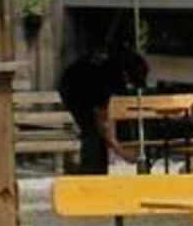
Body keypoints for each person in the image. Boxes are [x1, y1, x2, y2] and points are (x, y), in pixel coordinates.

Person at [58, 38, 142, 173]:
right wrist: (122, 152)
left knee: (96, 134)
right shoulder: (105, 79)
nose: (129, 86)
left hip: (82, 84)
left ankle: (97, 169)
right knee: (92, 133)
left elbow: (108, 114)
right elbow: (103, 122)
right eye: (130, 83)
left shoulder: (116, 68)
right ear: (126, 75)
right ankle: (91, 171)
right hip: (74, 90)